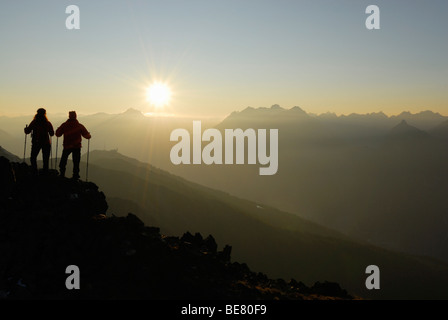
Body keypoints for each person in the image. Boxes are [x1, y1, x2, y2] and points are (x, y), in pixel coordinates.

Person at [56, 111, 91, 180]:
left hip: (67, 146)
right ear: (75, 116)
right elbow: (87, 136)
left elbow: (58, 134)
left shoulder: (64, 125)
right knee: (76, 162)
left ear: (69, 116)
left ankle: (62, 174)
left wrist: (58, 130)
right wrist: (89, 135)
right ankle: (75, 176)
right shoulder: (79, 126)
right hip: (76, 147)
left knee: (63, 161)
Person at [24, 108, 55, 175]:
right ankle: (45, 173)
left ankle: (34, 171)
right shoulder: (48, 123)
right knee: (45, 159)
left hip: (36, 142)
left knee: (33, 157)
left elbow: (27, 131)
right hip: (46, 143)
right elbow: (52, 134)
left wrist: (25, 129)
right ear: (45, 114)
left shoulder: (34, 122)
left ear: (37, 113)